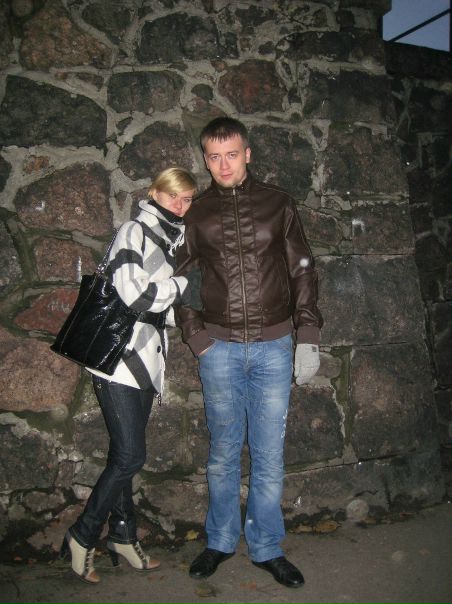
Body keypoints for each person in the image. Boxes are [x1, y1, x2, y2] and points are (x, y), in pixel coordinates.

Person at [174, 117, 323, 589]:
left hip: (274, 347)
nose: (224, 165)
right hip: (217, 349)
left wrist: (308, 332)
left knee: (269, 455)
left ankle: (266, 547)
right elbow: (181, 277)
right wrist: (195, 335)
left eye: (232, 155)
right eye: (214, 157)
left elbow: (301, 268)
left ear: (248, 154)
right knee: (222, 453)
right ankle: (220, 540)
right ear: (206, 159)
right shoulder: (196, 213)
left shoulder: (279, 203)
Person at [60, 166, 197, 584]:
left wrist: (176, 302)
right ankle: (82, 535)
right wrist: (182, 286)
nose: (180, 205)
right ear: (154, 193)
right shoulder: (133, 232)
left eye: (187, 199)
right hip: (117, 361)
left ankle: (122, 535)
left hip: (145, 363)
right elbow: (135, 295)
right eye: (173, 196)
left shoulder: (170, 241)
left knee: (122, 454)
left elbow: (159, 310)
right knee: (132, 457)